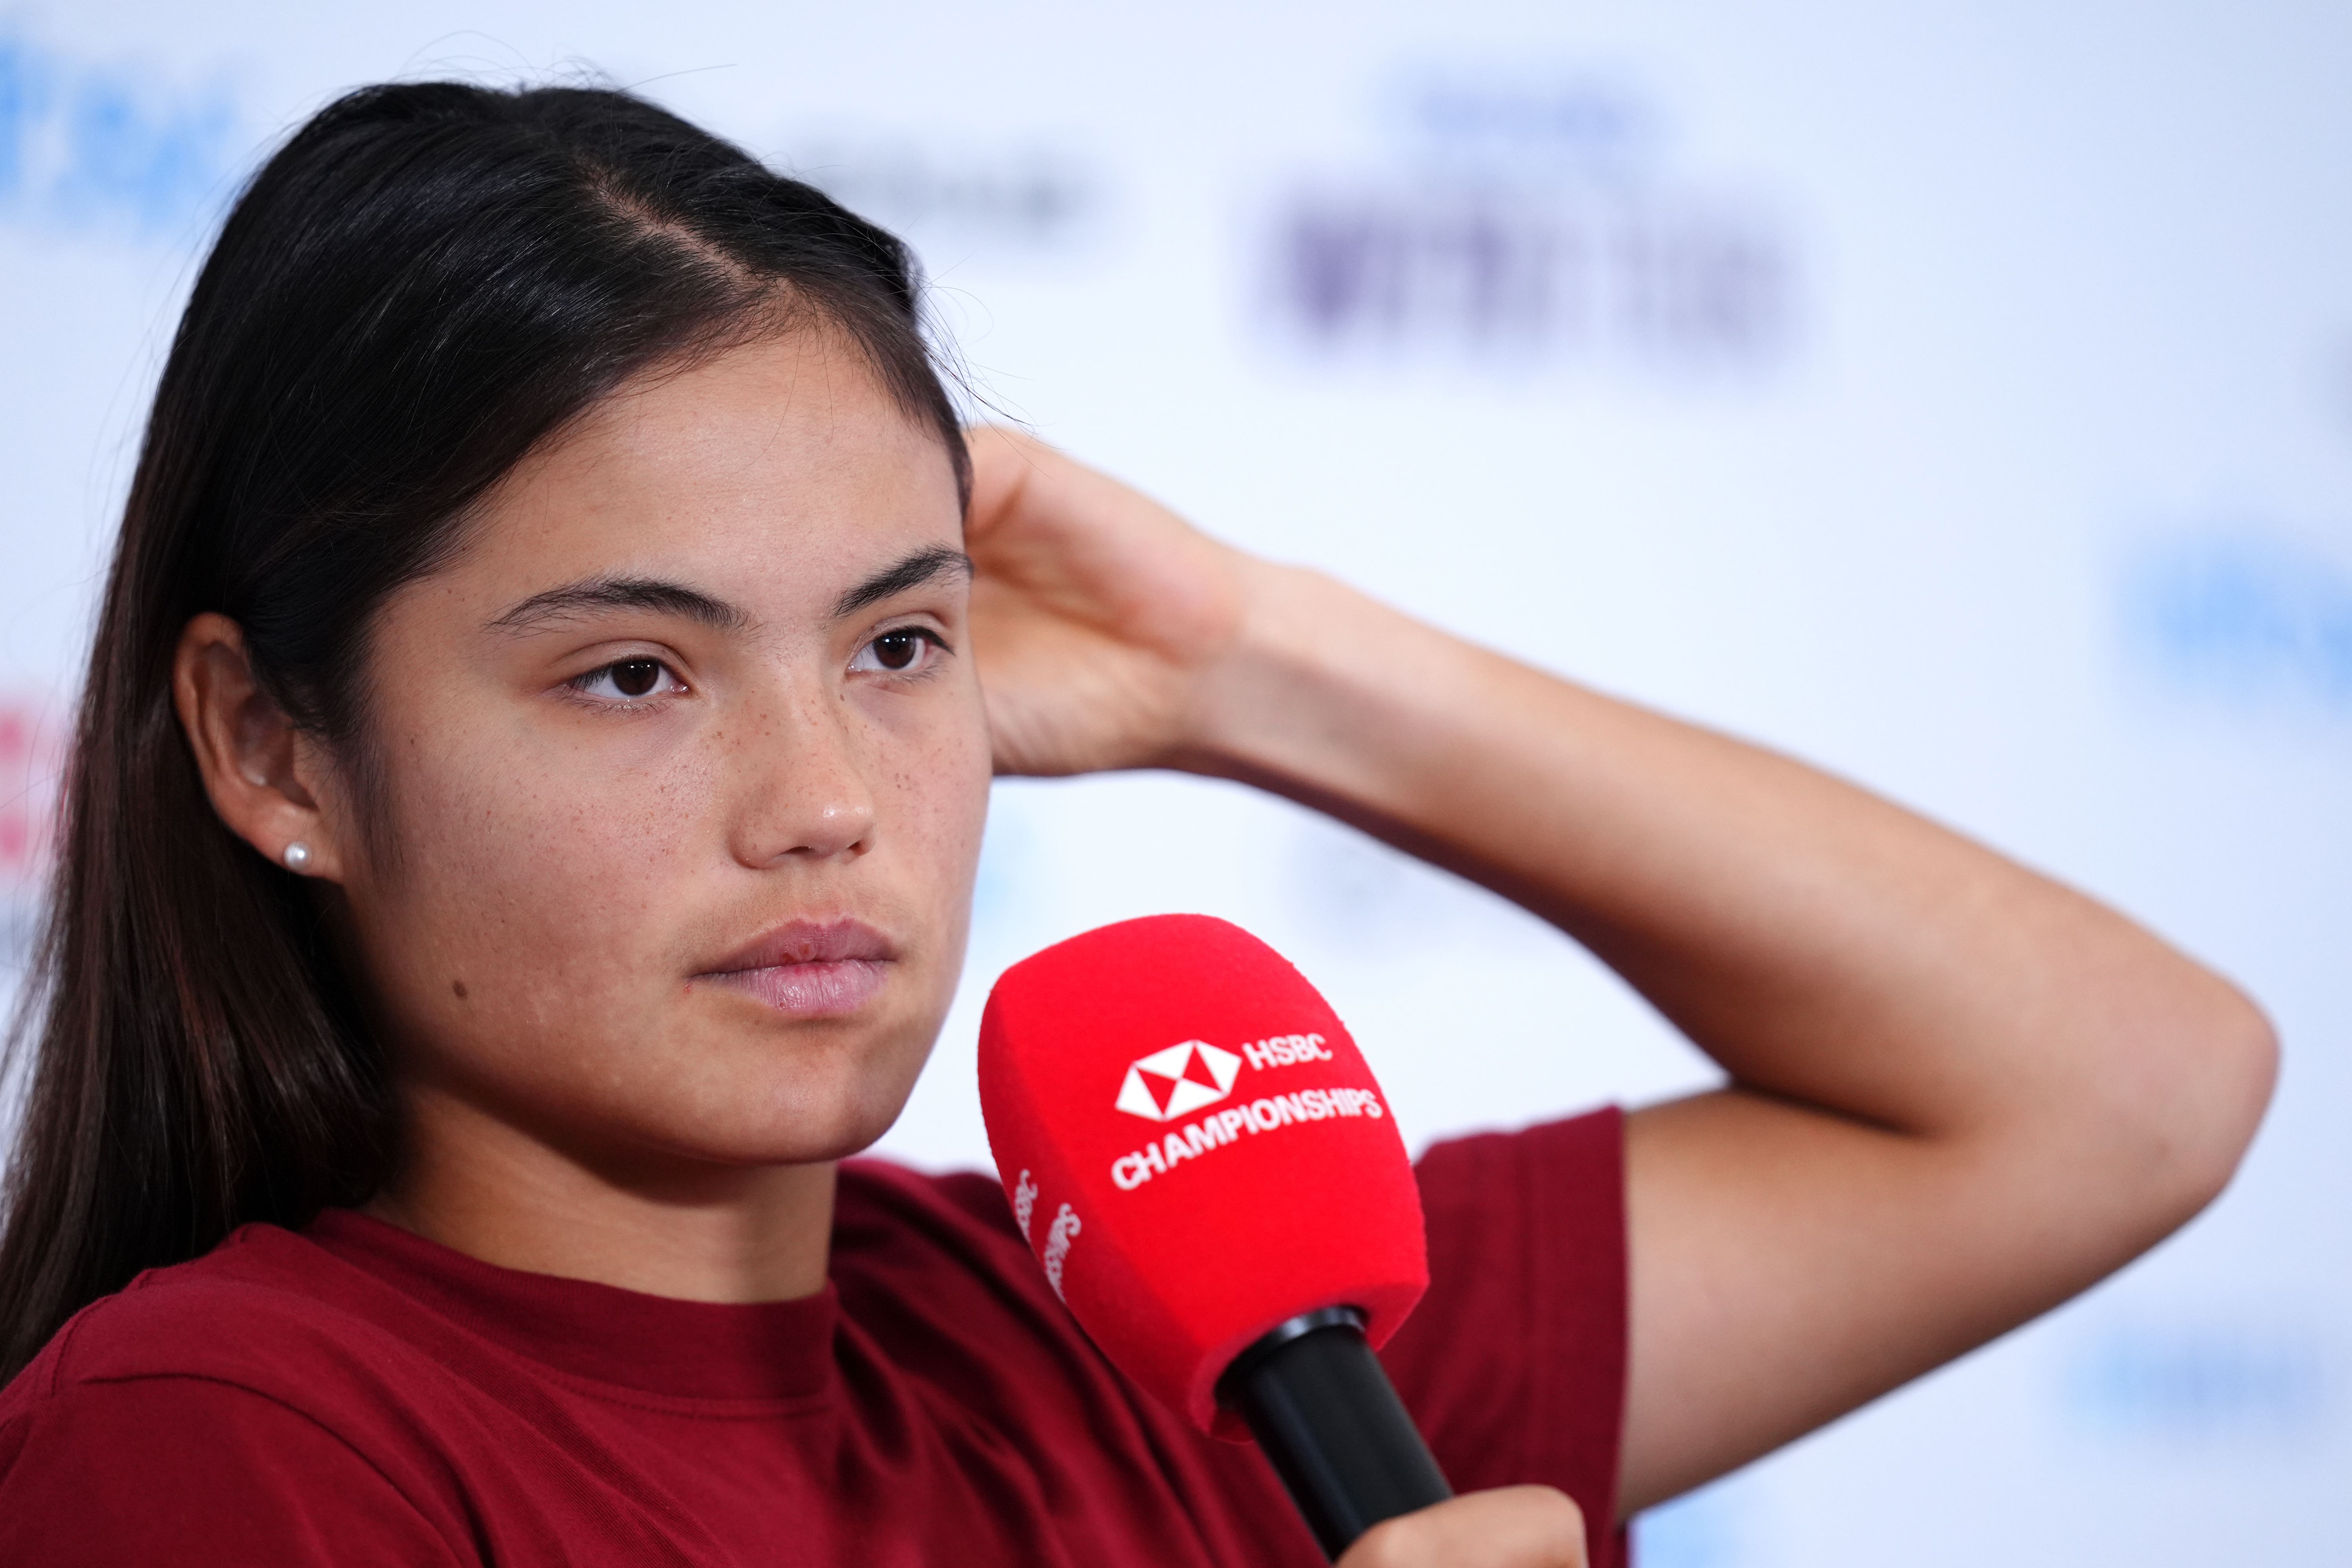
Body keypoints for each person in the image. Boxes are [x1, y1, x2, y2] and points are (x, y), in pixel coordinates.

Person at [0, 80, 2273, 1568]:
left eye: (899, 646)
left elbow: (2125, 1089)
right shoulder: (231, 1433)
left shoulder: (1168, 1339)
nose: (824, 806)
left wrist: (1245, 664)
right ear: (271, 749)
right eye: (634, 674)